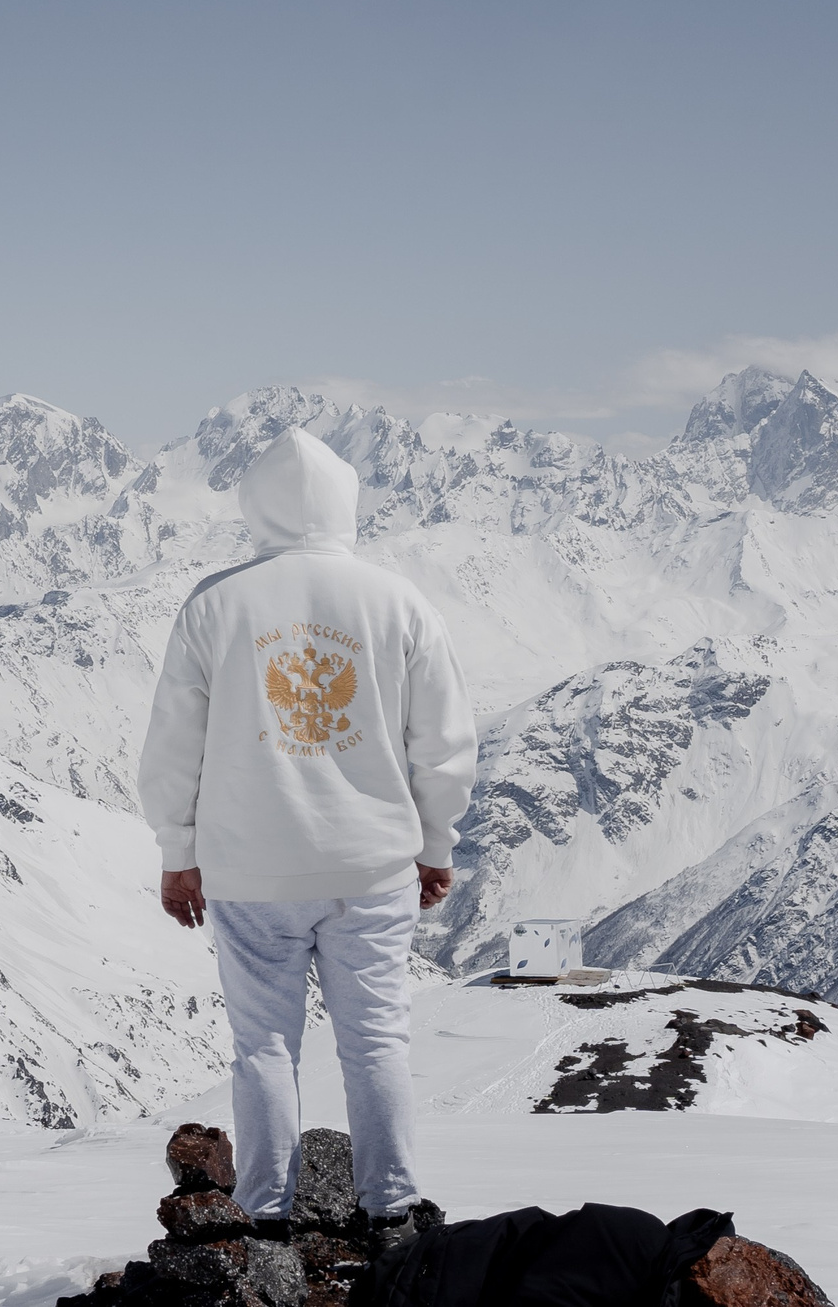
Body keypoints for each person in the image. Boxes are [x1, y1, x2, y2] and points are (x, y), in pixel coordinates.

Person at [138, 427, 478, 1243]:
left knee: (263, 1045)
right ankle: (392, 1206)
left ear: (253, 502)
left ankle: (265, 1212)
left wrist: (177, 852)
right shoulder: (398, 602)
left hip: (249, 869)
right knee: (375, 1040)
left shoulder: (214, 604)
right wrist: (437, 842)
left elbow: (172, 748)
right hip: (372, 863)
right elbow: (443, 742)